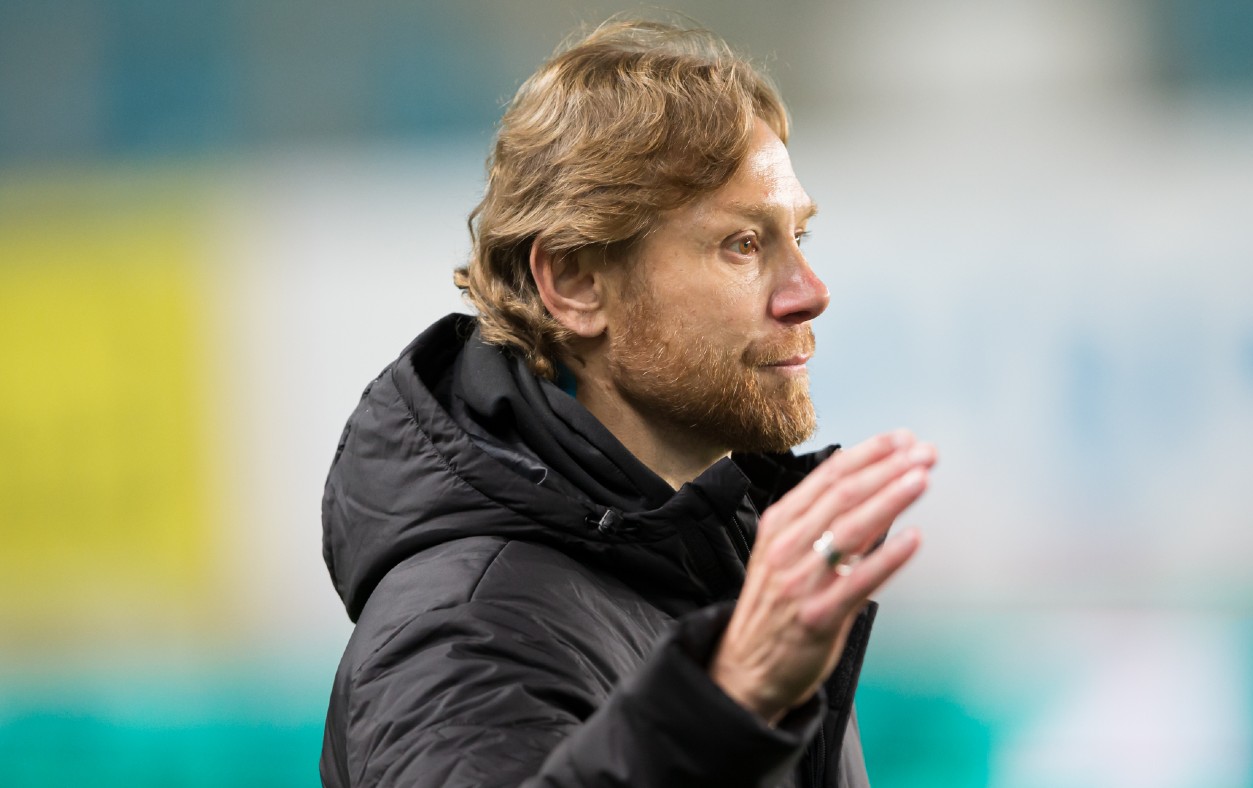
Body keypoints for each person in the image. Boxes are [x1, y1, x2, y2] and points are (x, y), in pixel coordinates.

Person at [319, 18, 936, 788]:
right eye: (744, 244)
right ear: (575, 282)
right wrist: (724, 703)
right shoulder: (462, 627)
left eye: (799, 238)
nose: (808, 293)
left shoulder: (715, 565)